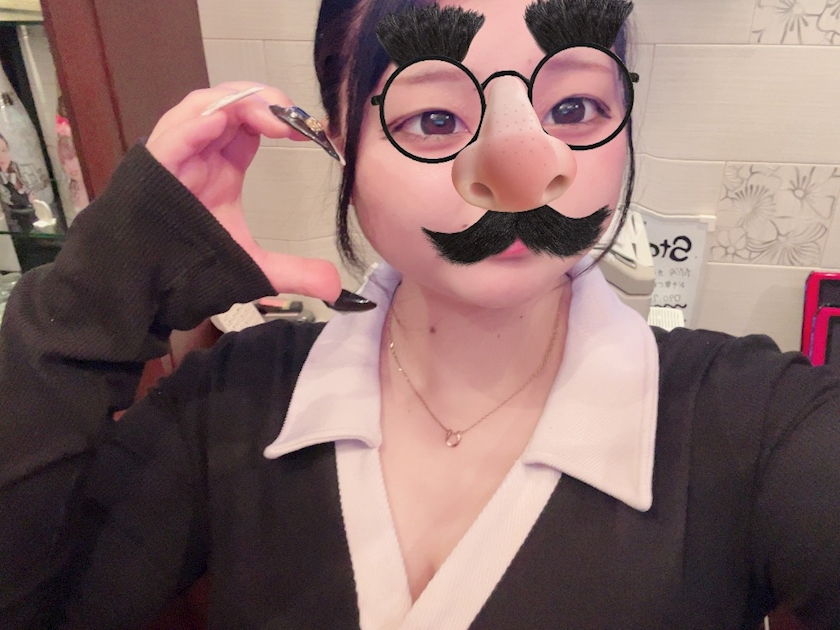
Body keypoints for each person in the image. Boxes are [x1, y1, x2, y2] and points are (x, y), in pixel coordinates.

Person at [0, 0, 838, 628]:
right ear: (340, 143)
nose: (522, 174)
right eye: (435, 119)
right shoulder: (233, 404)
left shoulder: (758, 425)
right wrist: (108, 278)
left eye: (574, 109)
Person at [0, 134, 37, 233]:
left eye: (3, 150)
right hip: (14, 229)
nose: (1, 156)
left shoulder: (20, 170)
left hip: (34, 222)